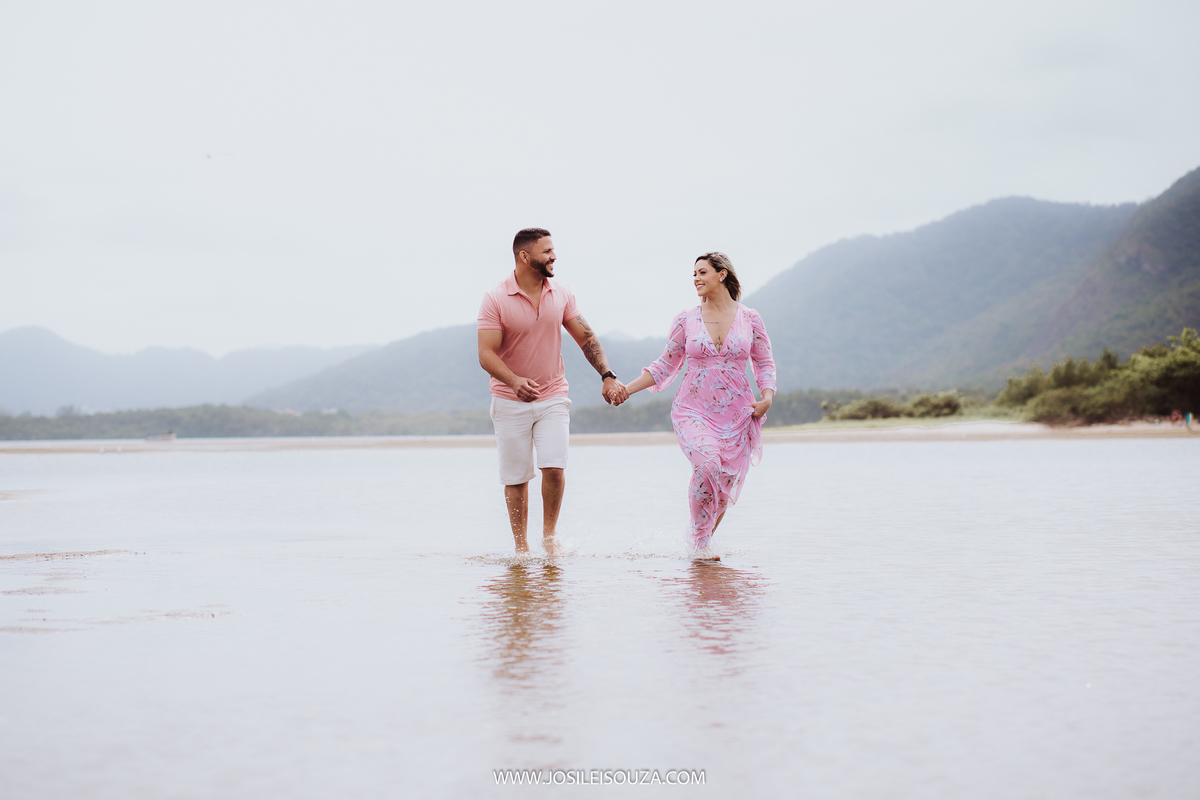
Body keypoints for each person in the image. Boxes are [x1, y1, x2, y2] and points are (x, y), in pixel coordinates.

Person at [478, 228, 628, 556]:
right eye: (547, 251)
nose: (554, 256)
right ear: (524, 257)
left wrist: (607, 375)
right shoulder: (495, 297)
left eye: (553, 250)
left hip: (553, 395)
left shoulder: (561, 293)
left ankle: (549, 538)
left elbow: (586, 337)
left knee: (554, 467)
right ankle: (521, 548)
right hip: (508, 399)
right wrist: (514, 381)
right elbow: (485, 354)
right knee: (516, 478)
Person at [618, 252, 776, 560]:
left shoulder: (750, 318)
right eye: (693, 274)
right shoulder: (686, 319)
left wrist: (767, 397)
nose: (696, 279)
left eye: (702, 272)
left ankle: (695, 545)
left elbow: (764, 361)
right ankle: (701, 545)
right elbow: (665, 365)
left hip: (738, 413)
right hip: (693, 409)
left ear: (722, 274)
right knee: (708, 466)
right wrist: (627, 389)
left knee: (724, 485)